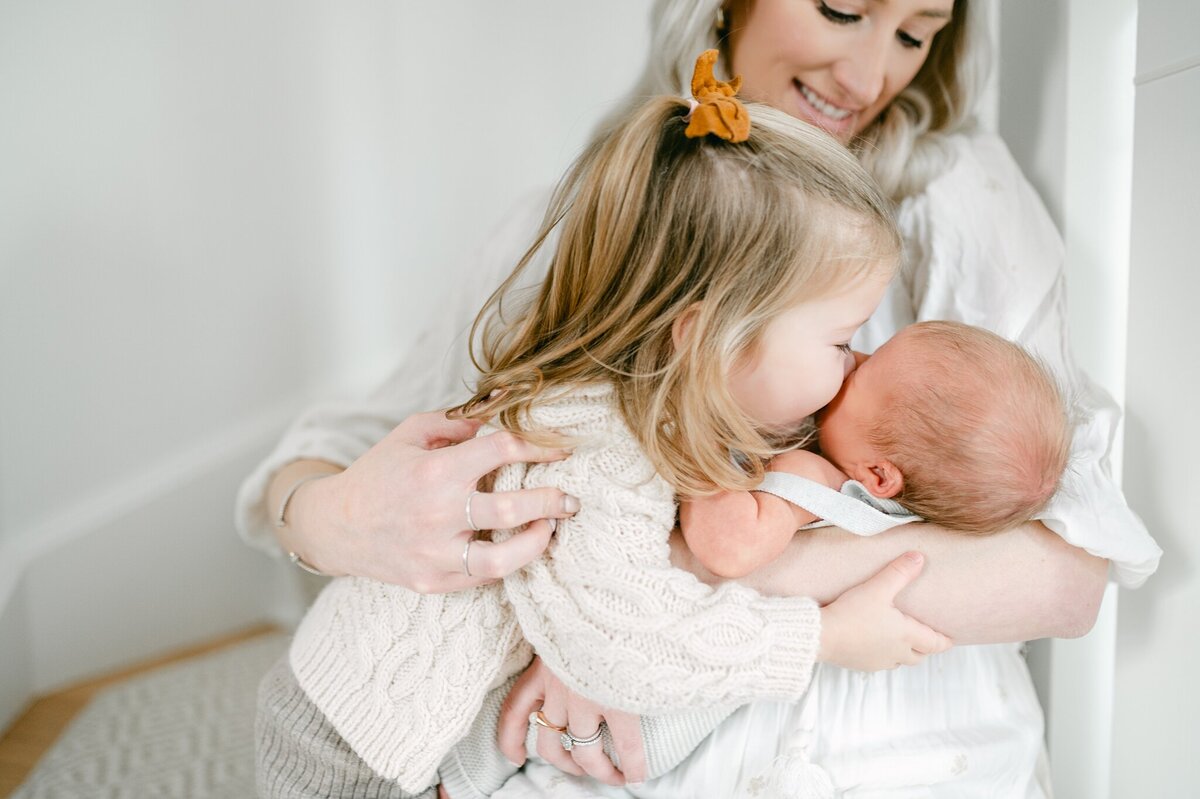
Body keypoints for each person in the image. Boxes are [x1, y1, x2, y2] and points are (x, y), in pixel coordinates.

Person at [238, 0, 1161, 795]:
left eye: (919, 32)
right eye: (843, 8)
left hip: (900, 746)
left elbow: (1069, 563)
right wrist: (329, 512)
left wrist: (678, 580)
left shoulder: (957, 196)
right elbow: (367, 441)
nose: (871, 72)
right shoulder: (582, 227)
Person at [682, 320, 1072, 579]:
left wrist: (695, 426)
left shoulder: (817, 479)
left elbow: (731, 548)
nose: (853, 359)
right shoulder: (841, 451)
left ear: (877, 475)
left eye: (864, 371)